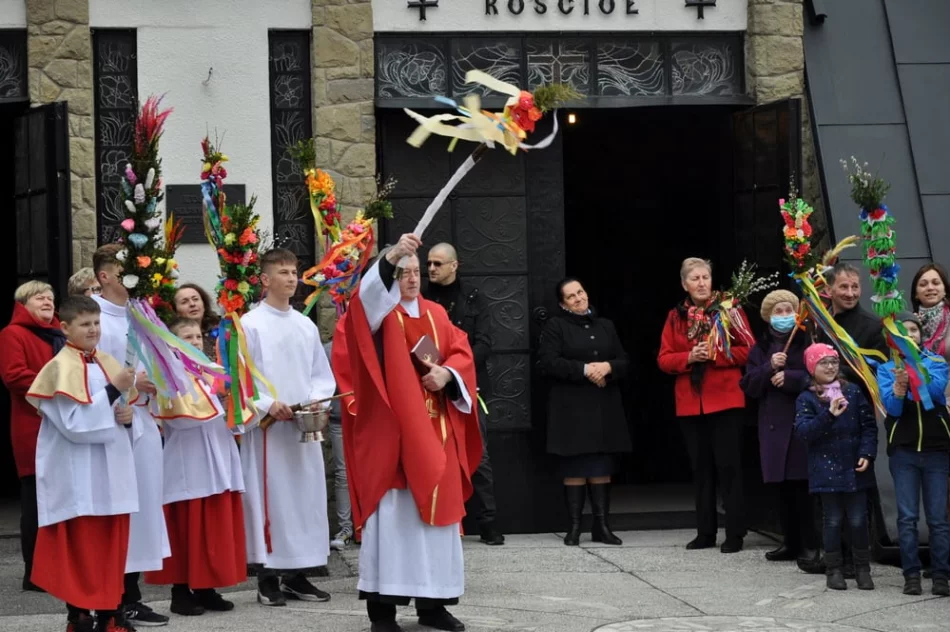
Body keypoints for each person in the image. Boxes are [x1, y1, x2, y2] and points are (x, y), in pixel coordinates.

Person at [342, 234, 482, 632]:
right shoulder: (379, 315)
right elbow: (364, 299)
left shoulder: (438, 314)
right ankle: (383, 613)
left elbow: (461, 352)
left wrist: (448, 374)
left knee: (435, 528)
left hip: (437, 434)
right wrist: (392, 255)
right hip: (395, 438)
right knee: (393, 524)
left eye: (416, 272)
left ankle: (433, 606)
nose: (412, 279)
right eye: (403, 273)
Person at [26, 295, 139, 632]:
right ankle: (78, 614)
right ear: (65, 327)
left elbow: (121, 418)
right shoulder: (58, 368)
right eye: (85, 324)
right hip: (78, 472)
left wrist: (128, 416)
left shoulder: (108, 361)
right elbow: (74, 425)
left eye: (96, 324)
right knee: (81, 547)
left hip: (111, 470)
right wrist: (111, 391)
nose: (93, 330)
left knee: (110, 545)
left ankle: (109, 615)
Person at [238, 248, 336, 607]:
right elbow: (242, 379)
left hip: (301, 428)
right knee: (272, 500)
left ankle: (299, 574)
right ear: (265, 280)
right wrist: (267, 404)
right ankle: (267, 577)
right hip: (269, 430)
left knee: (305, 500)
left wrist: (315, 401)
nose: (292, 278)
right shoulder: (250, 324)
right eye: (283, 272)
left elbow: (320, 376)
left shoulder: (305, 324)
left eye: (294, 272)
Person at [144, 317, 247, 614]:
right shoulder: (168, 375)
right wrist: (217, 400)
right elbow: (182, 418)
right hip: (187, 461)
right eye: (186, 338)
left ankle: (205, 588)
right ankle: (180, 591)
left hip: (218, 456)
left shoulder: (213, 372)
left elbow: (233, 415)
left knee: (211, 528)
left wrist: (234, 407)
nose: (194, 342)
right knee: (185, 527)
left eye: (197, 337)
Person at [92, 243, 170, 627]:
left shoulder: (143, 314)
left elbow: (158, 361)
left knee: (142, 510)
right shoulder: (95, 318)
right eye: (122, 271)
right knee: (118, 508)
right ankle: (111, 597)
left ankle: (132, 594)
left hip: (142, 423)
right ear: (104, 276)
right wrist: (129, 386)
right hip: (112, 423)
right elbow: (90, 370)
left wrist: (155, 381)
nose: (130, 279)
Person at [657, 257, 749, 553]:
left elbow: (750, 350)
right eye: (694, 278)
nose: (701, 283)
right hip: (691, 404)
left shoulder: (730, 309)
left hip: (725, 400)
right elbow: (663, 358)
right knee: (701, 471)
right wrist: (688, 358)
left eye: (705, 277)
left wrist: (714, 354)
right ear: (684, 284)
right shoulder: (675, 316)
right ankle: (705, 533)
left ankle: (735, 534)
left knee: (729, 469)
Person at [537, 277, 632, 546]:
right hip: (571, 407)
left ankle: (602, 526)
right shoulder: (556, 326)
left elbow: (624, 360)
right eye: (571, 296)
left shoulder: (606, 326)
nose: (579, 298)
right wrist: (585, 370)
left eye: (581, 292)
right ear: (563, 304)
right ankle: (575, 527)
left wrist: (608, 367)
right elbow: (548, 362)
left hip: (602, 406)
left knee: (601, 464)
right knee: (575, 466)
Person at [423, 242, 504, 545]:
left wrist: (454, 370)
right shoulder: (421, 299)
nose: (431, 269)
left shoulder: (473, 299)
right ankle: (437, 518)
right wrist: (436, 370)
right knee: (432, 454)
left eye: (438, 264)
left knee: (477, 454)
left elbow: (483, 343)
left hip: (466, 388)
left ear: (454, 266)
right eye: (428, 263)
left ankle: (488, 522)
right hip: (429, 384)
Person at [876, 312, 950, 597]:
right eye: (902, 331)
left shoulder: (937, 362)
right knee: (907, 517)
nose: (910, 335)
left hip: (936, 451)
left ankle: (941, 575)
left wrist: (914, 371)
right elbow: (892, 410)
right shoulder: (886, 369)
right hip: (904, 452)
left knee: (938, 519)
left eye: (914, 330)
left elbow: (932, 394)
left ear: (921, 335)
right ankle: (911, 575)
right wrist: (897, 389)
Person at [739, 290, 816, 563]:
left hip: (799, 420)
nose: (785, 316)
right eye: (778, 311)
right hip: (772, 425)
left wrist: (792, 377)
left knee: (801, 486)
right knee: (781, 488)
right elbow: (748, 385)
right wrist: (768, 367)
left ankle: (809, 542)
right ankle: (790, 541)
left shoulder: (807, 341)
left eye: (788, 310)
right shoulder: (759, 349)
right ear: (768, 317)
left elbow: (819, 374)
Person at [795, 343, 878, 591]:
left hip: (855, 469)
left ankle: (862, 568)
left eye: (833, 362)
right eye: (823, 363)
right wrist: (828, 415)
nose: (830, 367)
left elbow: (869, 426)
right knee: (831, 521)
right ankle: (834, 569)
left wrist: (867, 453)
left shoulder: (852, 391)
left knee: (857, 520)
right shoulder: (806, 398)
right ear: (812, 368)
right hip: (826, 470)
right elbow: (803, 432)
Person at [0, 281, 65, 592]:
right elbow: (14, 375)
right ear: (22, 303)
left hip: (64, 425)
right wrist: (61, 386)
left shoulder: (62, 334)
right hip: (33, 426)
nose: (47, 301)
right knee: (36, 502)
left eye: (51, 297)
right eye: (39, 296)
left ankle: (58, 567)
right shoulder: (13, 334)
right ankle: (34, 572)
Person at [322, 332, 354, 550]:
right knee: (343, 474)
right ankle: (345, 528)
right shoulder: (329, 349)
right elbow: (322, 383)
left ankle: (370, 526)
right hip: (340, 418)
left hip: (372, 420)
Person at [173, 283, 220, 359]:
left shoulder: (219, 333)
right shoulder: (171, 339)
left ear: (204, 305)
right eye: (184, 302)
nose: (192, 304)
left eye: (195, 299)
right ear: (176, 311)